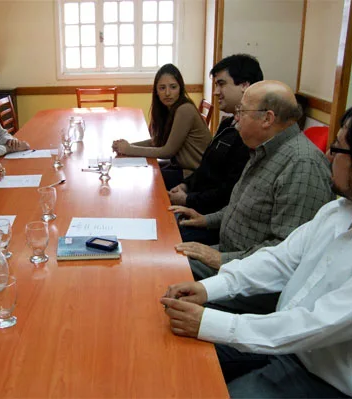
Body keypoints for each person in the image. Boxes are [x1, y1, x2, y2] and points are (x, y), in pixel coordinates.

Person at [160, 100, 352, 398]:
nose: (328, 155)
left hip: (327, 380)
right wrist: (209, 289)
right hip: (281, 341)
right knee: (170, 353)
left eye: (338, 147)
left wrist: (210, 322)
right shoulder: (338, 211)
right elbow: (279, 262)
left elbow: (317, 324)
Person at [169, 80, 334, 314]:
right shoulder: (265, 150)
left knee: (166, 277)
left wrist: (221, 258)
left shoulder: (302, 165)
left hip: (252, 281)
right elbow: (242, 204)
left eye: (242, 112)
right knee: (165, 255)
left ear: (267, 118)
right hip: (230, 257)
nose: (236, 119)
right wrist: (207, 220)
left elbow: (287, 251)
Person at [168, 54, 262, 245]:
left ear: (245, 85)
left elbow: (228, 192)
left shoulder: (251, 135)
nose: (216, 92)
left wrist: (188, 199)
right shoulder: (228, 123)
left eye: (221, 84)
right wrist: (186, 185)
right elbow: (205, 167)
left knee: (165, 238)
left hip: (216, 221)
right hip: (199, 207)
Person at [112, 64, 211, 189]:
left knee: (145, 177)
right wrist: (127, 145)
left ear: (180, 88)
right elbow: (157, 141)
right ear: (156, 91)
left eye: (173, 87)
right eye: (162, 88)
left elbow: (167, 152)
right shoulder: (168, 109)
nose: (168, 93)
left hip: (195, 175)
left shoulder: (185, 110)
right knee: (144, 168)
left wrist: (128, 149)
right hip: (180, 167)